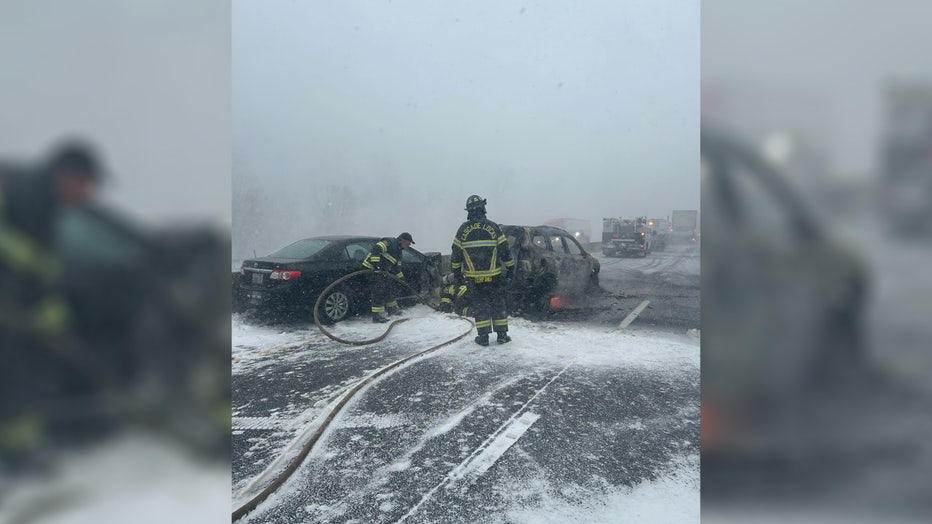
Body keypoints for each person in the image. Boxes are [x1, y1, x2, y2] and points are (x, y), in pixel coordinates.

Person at [1, 140, 103, 465]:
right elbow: (26, 261)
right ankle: (18, 456)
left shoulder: (39, 197)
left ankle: (23, 447)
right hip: (10, 308)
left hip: (17, 303)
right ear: (68, 176)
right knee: (15, 372)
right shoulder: (31, 198)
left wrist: (48, 303)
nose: (88, 193)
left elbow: (37, 266)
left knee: (25, 371)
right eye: (86, 183)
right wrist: (45, 304)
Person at [451, 195, 515, 346]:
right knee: (498, 304)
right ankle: (502, 335)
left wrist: (456, 273)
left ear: (469, 211)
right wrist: (511, 268)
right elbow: (505, 250)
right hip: (494, 277)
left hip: (474, 279)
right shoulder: (493, 227)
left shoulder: (463, 230)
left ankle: (483, 337)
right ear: (483, 208)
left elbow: (456, 254)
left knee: (481, 307)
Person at [362, 232, 414, 323]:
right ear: (401, 240)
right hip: (371, 269)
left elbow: (397, 269)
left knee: (390, 288)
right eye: (408, 243)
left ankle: (392, 309)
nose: (408, 245)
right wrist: (376, 266)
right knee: (379, 290)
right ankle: (377, 316)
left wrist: (402, 280)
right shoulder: (390, 243)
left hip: (383, 272)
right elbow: (376, 248)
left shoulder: (399, 253)